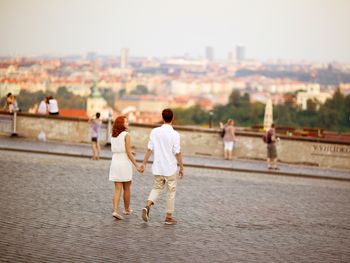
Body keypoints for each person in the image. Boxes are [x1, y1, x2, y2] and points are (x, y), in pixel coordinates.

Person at [140, 108, 184, 225]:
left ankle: (147, 206)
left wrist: (144, 163)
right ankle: (168, 217)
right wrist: (181, 167)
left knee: (157, 188)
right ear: (172, 118)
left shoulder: (154, 132)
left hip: (158, 167)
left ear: (162, 117)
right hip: (170, 168)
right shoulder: (175, 134)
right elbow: (177, 152)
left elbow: (149, 149)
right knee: (171, 191)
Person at [109, 116, 142, 220]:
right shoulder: (126, 135)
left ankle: (115, 210)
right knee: (127, 187)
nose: (128, 123)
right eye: (126, 122)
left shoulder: (113, 135)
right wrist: (137, 165)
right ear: (121, 124)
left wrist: (130, 152)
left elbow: (117, 149)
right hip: (124, 163)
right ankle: (126, 209)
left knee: (117, 189)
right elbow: (128, 152)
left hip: (115, 162)